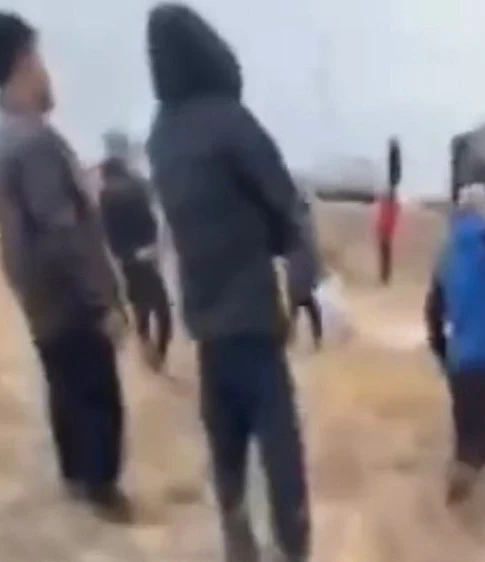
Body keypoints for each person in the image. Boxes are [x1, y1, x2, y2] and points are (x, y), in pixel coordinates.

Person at [145, 4, 310, 561]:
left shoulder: (161, 137)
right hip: (254, 315)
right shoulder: (230, 121)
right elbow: (285, 204)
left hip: (205, 321)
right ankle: (292, 548)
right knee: (281, 452)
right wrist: (293, 267)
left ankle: (239, 546)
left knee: (227, 454)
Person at [0, 12, 130, 520]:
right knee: (96, 396)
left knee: (64, 389)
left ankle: (78, 487)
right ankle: (102, 497)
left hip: (38, 295)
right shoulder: (34, 141)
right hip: (69, 295)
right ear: (24, 63)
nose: (48, 73)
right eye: (40, 61)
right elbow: (62, 230)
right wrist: (102, 302)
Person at [425, 183, 485, 504]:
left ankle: (460, 487)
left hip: (459, 362)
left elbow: (432, 311)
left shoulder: (447, 252)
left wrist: (442, 352)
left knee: (466, 433)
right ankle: (465, 475)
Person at [97, 130, 172, 370]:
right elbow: (149, 218)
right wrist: (151, 247)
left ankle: (149, 347)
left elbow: (109, 233)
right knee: (159, 307)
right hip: (143, 255)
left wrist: (122, 256)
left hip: (130, 259)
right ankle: (156, 354)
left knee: (143, 304)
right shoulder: (133, 186)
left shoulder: (107, 192)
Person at [285, 194, 323, 349]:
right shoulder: (308, 226)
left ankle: (291, 338)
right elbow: (313, 253)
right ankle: (316, 337)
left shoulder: (296, 225)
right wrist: (316, 274)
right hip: (303, 272)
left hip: (296, 272)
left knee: (295, 306)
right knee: (309, 306)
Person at [375, 137, 401, 285]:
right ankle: (385, 276)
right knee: (386, 254)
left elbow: (386, 218)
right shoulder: (389, 204)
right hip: (385, 230)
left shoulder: (389, 204)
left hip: (385, 231)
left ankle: (385, 276)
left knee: (385, 253)